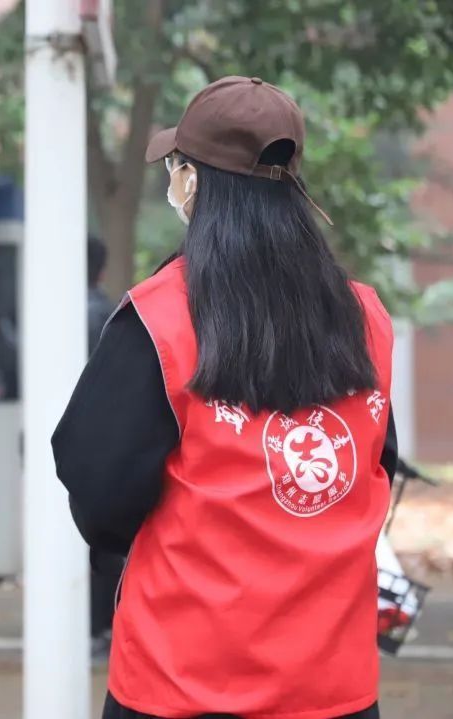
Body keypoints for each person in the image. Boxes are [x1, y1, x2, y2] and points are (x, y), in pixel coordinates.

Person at [53, 76, 398, 719]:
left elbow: (97, 483)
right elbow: (375, 465)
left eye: (175, 167)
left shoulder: (159, 321)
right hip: (331, 686)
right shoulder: (365, 317)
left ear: (191, 183)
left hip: (179, 682)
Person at [85, 236, 124, 662]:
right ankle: (102, 626)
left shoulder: (49, 309)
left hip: (61, 438)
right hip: (103, 439)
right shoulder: (109, 313)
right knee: (102, 541)